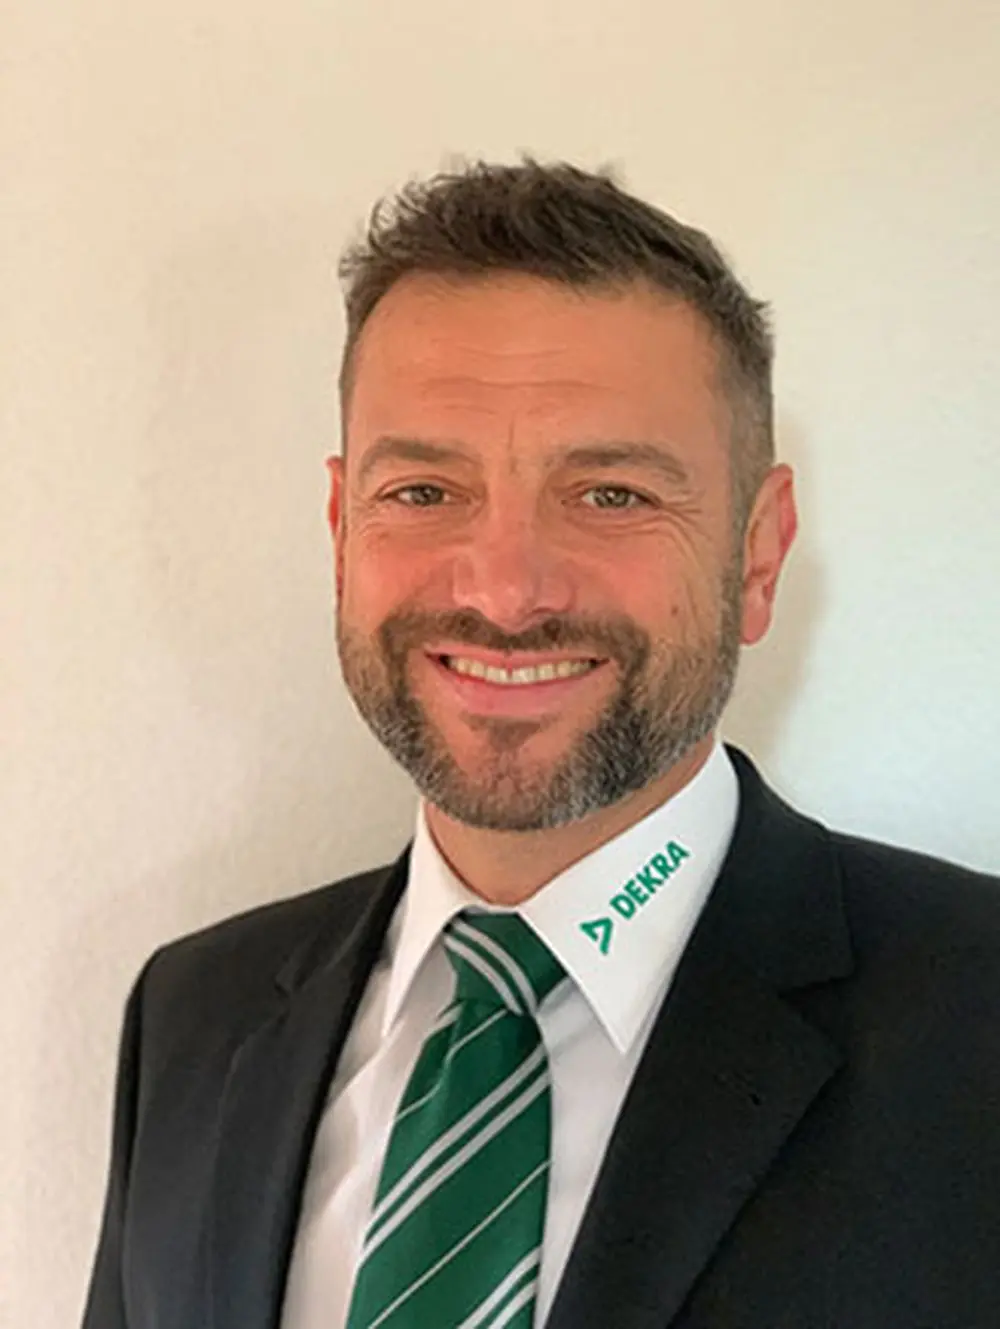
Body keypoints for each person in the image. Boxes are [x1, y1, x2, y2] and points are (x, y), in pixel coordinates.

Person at [83, 160, 1000, 1329]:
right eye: (424, 491)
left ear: (758, 555)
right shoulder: (194, 1018)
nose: (506, 592)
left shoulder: (975, 1021)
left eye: (610, 494)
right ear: (341, 531)